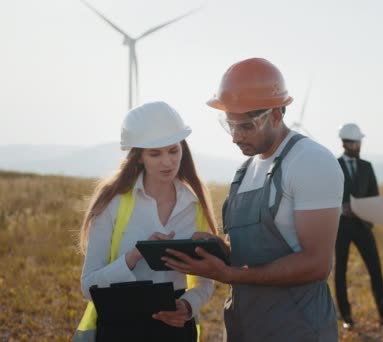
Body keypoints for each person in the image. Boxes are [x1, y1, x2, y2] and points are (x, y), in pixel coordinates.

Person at [163, 58, 344, 342]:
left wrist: (230, 275)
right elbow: (248, 252)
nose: (235, 137)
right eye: (229, 125)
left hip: (296, 329)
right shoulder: (245, 170)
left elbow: (317, 263)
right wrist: (211, 250)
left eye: (246, 126)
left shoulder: (310, 162)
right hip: (243, 325)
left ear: (275, 114)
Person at [74, 101, 218, 341]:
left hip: (176, 329)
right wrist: (135, 255)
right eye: (155, 153)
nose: (168, 162)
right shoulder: (113, 203)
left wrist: (188, 306)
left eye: (173, 150)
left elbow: (205, 282)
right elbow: (89, 286)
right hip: (121, 328)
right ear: (139, 156)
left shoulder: (194, 206)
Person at [334, 123, 383, 330]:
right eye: (355, 142)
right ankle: (346, 317)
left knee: (375, 270)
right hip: (341, 228)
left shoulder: (367, 167)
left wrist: (366, 216)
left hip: (363, 226)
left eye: (359, 141)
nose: (358, 145)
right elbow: (327, 196)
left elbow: (374, 197)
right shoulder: (333, 166)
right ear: (346, 143)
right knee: (340, 271)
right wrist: (341, 209)